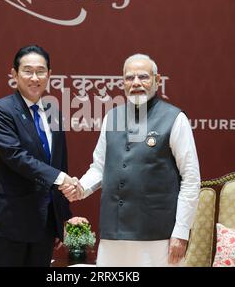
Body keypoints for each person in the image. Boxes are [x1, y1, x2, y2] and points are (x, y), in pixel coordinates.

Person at [60, 54, 200, 267]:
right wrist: (81, 188)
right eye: (129, 77)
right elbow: (99, 167)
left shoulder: (175, 118)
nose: (135, 83)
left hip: (157, 236)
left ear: (157, 80)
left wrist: (181, 232)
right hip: (113, 233)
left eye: (143, 76)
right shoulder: (111, 117)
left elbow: (190, 179)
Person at [0, 45, 77, 267]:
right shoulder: (2, 110)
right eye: (27, 71)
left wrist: (62, 217)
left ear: (49, 75)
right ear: (14, 74)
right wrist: (62, 178)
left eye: (41, 71)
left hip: (43, 224)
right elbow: (15, 155)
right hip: (10, 222)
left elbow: (59, 163)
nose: (35, 78)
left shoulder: (53, 112)